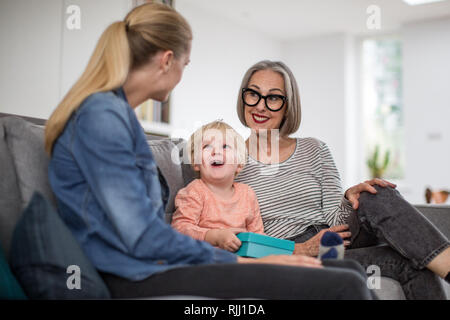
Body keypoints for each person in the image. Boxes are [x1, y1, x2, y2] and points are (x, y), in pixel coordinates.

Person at [44, 3, 374, 299]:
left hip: (151, 265)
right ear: (167, 61)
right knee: (344, 284)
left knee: (349, 271)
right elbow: (143, 237)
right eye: (185, 65)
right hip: (133, 274)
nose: (181, 76)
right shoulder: (102, 118)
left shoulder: (116, 116)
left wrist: (259, 258)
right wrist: (239, 262)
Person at [234, 60, 450, 300]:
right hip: (291, 251)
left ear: (288, 106)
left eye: (273, 98)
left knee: (374, 193)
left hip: (336, 236)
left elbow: (336, 218)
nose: (260, 106)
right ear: (243, 97)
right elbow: (230, 240)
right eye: (253, 94)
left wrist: (349, 198)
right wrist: (302, 249)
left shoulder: (314, 149)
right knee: (411, 263)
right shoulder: (228, 162)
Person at [171, 120, 264, 252]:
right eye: (207, 146)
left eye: (225, 146)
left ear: (239, 164)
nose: (216, 151)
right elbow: (180, 229)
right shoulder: (195, 191)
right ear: (196, 163)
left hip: (243, 261)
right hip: (206, 258)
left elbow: (258, 236)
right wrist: (215, 236)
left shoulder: (247, 194)